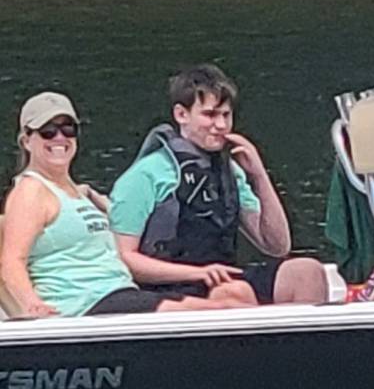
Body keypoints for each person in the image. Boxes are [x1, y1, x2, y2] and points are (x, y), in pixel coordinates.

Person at [1, 92, 253, 318]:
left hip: (119, 293)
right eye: (47, 131)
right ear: (26, 141)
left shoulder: (77, 194)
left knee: (234, 297)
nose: (59, 137)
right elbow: (11, 261)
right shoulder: (31, 191)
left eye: (68, 129)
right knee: (225, 313)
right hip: (85, 303)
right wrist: (32, 306)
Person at [109, 65, 329, 305]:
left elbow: (276, 245)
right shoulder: (145, 175)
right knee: (234, 293)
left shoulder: (230, 172)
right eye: (210, 115)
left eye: (226, 115)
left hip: (223, 275)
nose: (222, 125)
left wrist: (258, 174)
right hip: (169, 285)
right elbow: (124, 258)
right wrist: (199, 273)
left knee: (307, 272)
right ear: (182, 114)